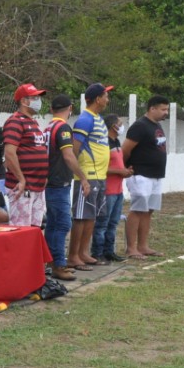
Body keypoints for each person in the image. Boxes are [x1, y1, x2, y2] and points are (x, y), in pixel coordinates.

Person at [44, 94, 90, 281]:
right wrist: (83, 178)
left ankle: (50, 261)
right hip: (58, 182)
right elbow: (69, 156)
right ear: (70, 108)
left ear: (51, 109)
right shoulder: (62, 128)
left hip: (50, 181)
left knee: (53, 225)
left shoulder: (48, 127)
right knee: (63, 224)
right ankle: (58, 264)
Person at [67, 83, 112, 269]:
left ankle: (84, 252)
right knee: (80, 217)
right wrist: (81, 175)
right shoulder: (85, 120)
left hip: (100, 176)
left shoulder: (98, 118)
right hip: (88, 176)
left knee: (91, 216)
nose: (108, 99)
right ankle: (73, 256)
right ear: (97, 99)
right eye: (106, 96)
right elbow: (74, 149)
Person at [123, 95, 170, 259]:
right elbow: (126, 149)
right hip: (140, 175)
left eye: (167, 109)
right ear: (152, 108)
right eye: (163, 109)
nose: (166, 113)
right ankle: (131, 248)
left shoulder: (156, 125)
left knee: (148, 211)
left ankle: (143, 246)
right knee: (137, 210)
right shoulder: (140, 126)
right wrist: (125, 167)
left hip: (156, 176)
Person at [3, 83, 49, 227]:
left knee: (35, 229)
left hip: (37, 187)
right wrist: (21, 179)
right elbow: (9, 153)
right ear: (24, 101)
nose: (38, 101)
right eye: (34, 97)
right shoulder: (15, 121)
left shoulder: (33, 122)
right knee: (21, 230)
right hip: (23, 188)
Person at [92, 115, 132, 262]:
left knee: (113, 223)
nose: (122, 126)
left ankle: (109, 251)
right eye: (119, 123)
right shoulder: (104, 143)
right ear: (113, 126)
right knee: (102, 223)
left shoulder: (116, 141)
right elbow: (101, 167)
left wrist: (125, 171)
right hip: (107, 190)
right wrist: (119, 172)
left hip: (118, 190)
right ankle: (97, 252)